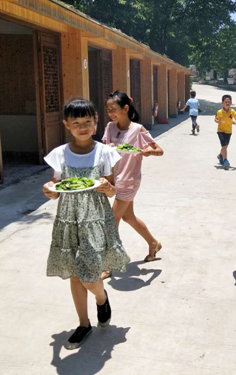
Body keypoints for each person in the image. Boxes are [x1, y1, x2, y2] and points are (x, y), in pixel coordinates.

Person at [42, 98, 130, 350]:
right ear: (66, 124)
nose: (82, 127)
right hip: (68, 220)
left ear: (96, 122)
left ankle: (101, 298)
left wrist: (107, 187)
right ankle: (83, 324)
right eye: (76, 123)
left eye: (87, 122)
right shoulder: (59, 154)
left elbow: (112, 190)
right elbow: (57, 188)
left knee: (90, 277)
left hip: (95, 220)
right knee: (74, 273)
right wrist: (49, 190)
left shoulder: (104, 152)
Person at [102, 91, 164, 269]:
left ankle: (109, 264)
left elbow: (159, 150)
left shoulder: (138, 130)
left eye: (114, 109)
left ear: (125, 109)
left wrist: (149, 152)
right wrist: (107, 149)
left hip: (129, 180)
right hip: (114, 179)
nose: (111, 113)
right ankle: (153, 243)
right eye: (108, 110)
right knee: (128, 217)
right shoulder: (110, 127)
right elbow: (105, 152)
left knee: (112, 220)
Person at [215, 94, 236, 168]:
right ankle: (225, 160)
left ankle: (220, 155)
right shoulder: (219, 112)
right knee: (224, 146)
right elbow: (215, 119)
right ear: (222, 102)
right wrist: (218, 121)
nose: (227, 103)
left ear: (231, 103)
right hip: (220, 131)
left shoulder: (232, 111)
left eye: (229, 102)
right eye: (226, 102)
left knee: (225, 147)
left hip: (229, 131)